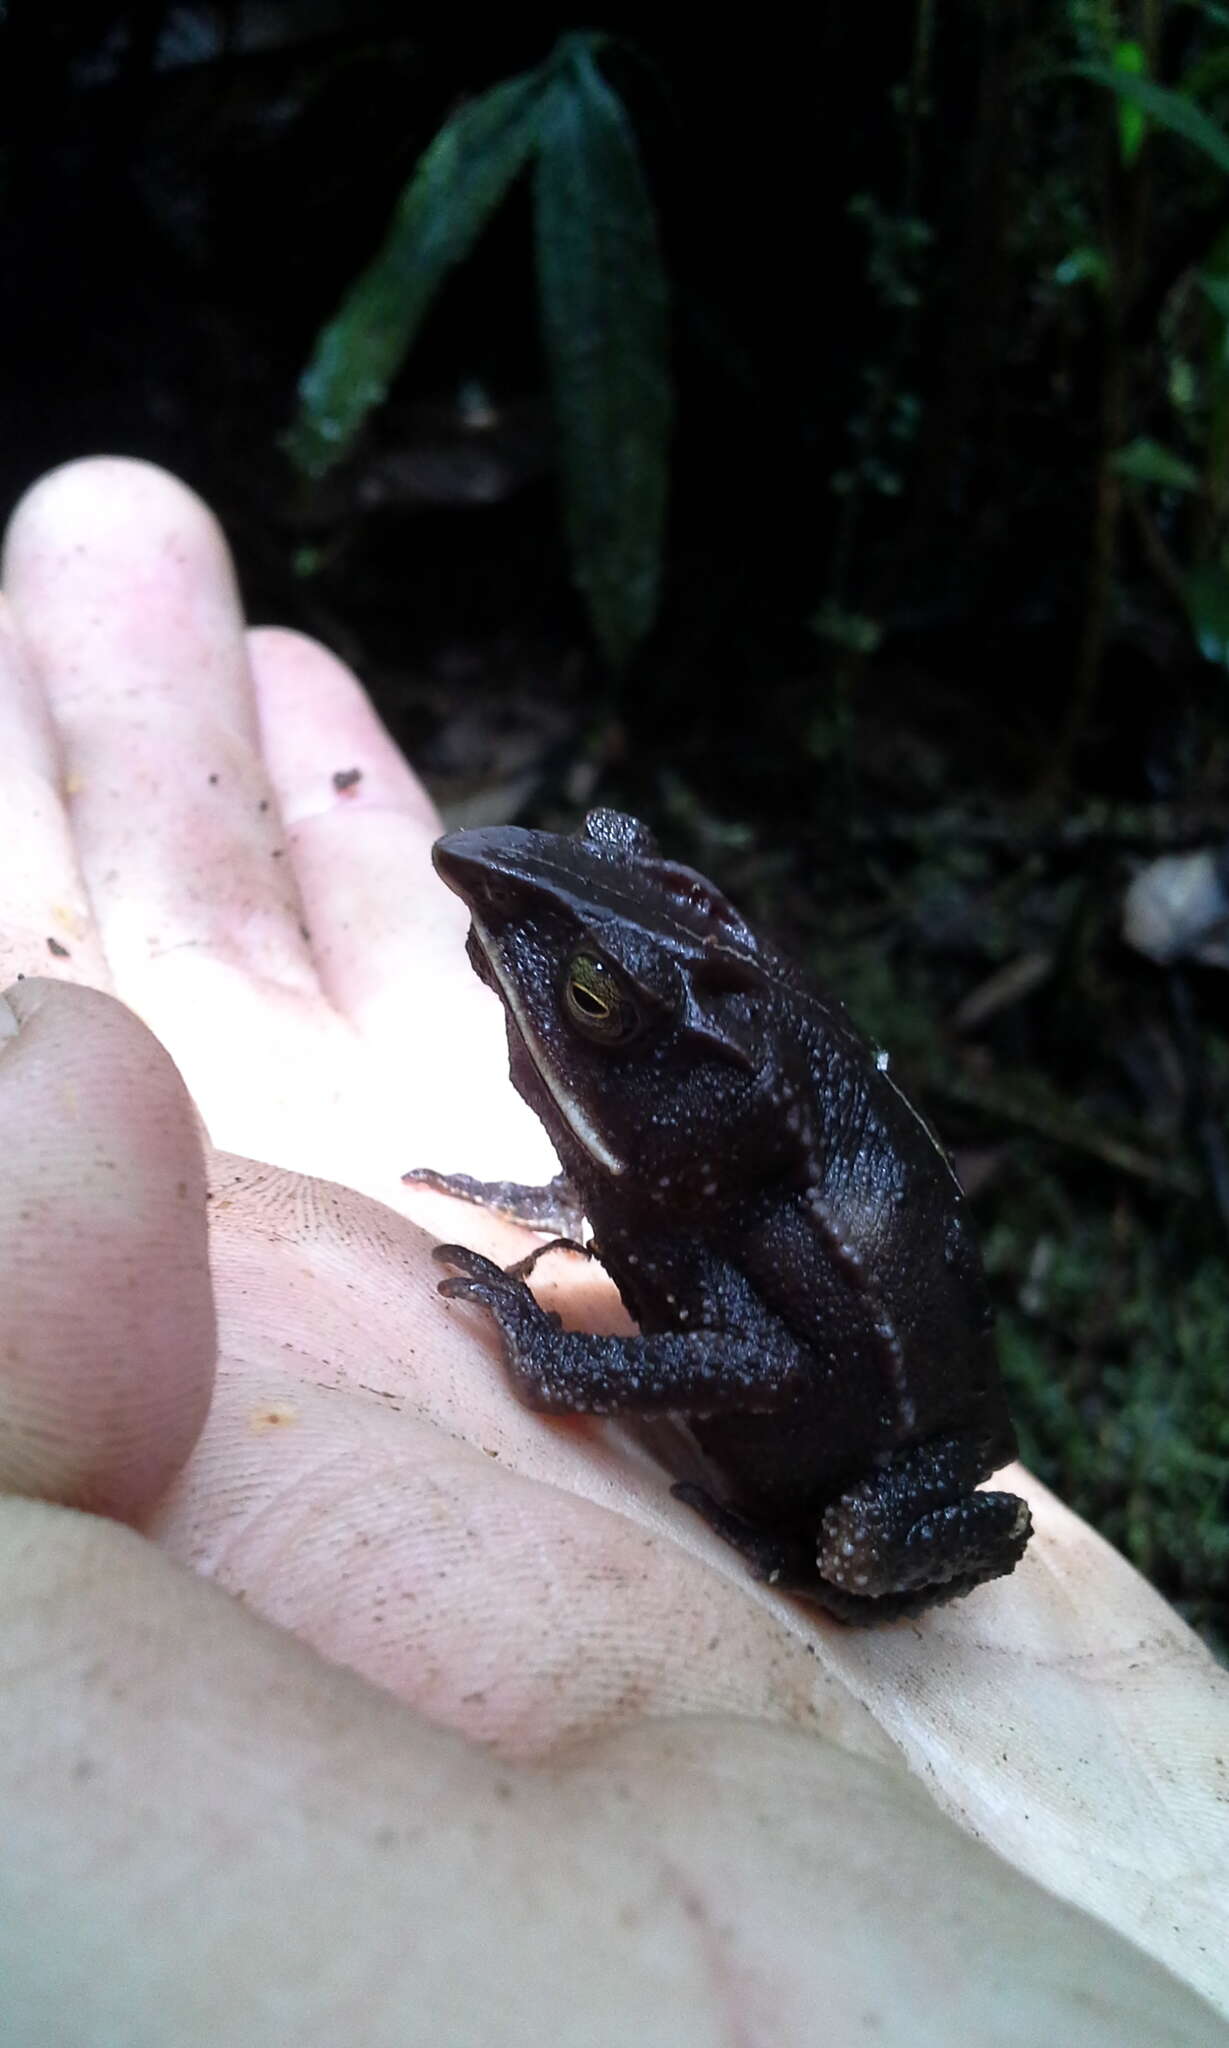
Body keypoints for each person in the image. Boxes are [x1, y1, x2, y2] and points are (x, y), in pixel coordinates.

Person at [1, 458, 1226, 2046]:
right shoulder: (699, 1156)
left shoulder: (719, 1180)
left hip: (893, 1471)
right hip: (760, 1219)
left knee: (862, 1533)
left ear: (675, 1080)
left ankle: (827, 1563)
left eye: (588, 1005)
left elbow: (761, 1348)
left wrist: (556, 1354)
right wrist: (596, 1214)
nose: (504, 910)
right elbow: (696, 1230)